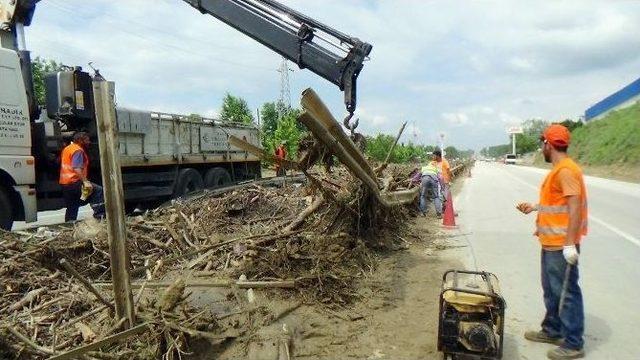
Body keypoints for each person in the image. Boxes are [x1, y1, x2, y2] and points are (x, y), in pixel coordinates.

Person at [516, 124, 587, 360]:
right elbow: (560, 204)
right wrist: (534, 207)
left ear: (548, 144)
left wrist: (569, 244)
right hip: (550, 242)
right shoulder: (558, 171)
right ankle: (552, 329)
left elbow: (575, 207)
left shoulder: (566, 170)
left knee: (566, 293)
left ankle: (573, 342)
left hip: (560, 245)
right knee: (551, 291)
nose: (541, 147)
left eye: (542, 143)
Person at [59, 132, 105, 222]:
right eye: (87, 140)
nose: (89, 142)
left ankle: (70, 224)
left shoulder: (67, 148)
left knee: (72, 205)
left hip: (65, 184)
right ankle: (99, 217)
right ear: (80, 140)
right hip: (75, 182)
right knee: (98, 191)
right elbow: (76, 168)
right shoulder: (78, 150)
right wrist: (85, 181)